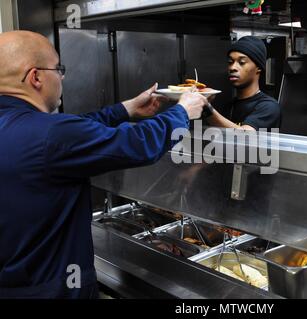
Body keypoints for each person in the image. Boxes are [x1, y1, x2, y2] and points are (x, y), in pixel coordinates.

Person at [0, 31, 208, 299]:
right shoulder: (51, 135)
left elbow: (76, 131)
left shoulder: (27, 128)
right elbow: (137, 144)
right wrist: (182, 112)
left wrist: (126, 109)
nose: (62, 77)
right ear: (36, 77)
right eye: (58, 69)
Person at [204, 36, 281, 131]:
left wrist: (206, 107)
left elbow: (244, 136)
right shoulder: (229, 106)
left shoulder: (269, 107)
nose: (232, 67)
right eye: (230, 62)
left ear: (259, 68)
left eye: (242, 62)